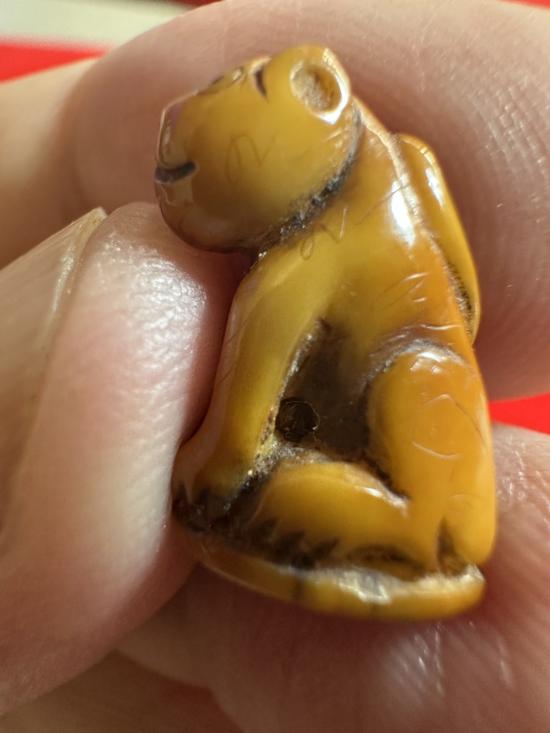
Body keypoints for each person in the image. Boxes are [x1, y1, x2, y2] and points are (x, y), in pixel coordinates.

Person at [1, 0, 549, 730]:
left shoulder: (300, 267)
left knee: (410, 404)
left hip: (424, 439)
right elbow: (467, 303)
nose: (171, 186)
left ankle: (409, 523)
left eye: (190, 170)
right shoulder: (405, 166)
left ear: (316, 92)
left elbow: (236, 437)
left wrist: (218, 468)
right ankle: (407, 518)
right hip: (434, 427)